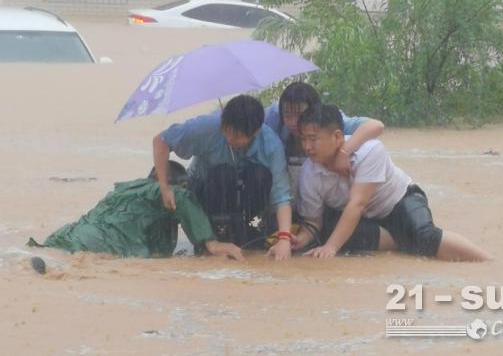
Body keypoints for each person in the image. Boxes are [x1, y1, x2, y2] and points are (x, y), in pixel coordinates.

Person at [293, 104, 492, 261]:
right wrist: (295, 240)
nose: (307, 147)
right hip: (364, 220)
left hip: (399, 201)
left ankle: (487, 261)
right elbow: (313, 221)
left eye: (313, 139)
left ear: (337, 136)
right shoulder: (309, 172)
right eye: (303, 140)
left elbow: (358, 203)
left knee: (425, 237)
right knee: (328, 230)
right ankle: (402, 240)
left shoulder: (369, 150)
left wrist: (331, 248)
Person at [153, 95, 293, 260]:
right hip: (206, 188)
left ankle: (252, 233)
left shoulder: (272, 145)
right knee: (221, 174)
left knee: (260, 176)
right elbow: (161, 141)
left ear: (255, 132)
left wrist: (284, 239)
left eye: (236, 135)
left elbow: (281, 196)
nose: (229, 139)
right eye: (226, 132)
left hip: (248, 199)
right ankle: (210, 239)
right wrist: (164, 187)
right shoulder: (208, 126)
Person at [29, 161, 244, 260]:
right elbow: (182, 197)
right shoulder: (164, 192)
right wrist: (211, 243)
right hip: (98, 247)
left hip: (63, 237)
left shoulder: (130, 190)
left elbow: (158, 249)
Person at [264, 82, 385, 202]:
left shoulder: (328, 119)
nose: (294, 122)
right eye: (287, 116)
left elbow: (376, 126)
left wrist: (344, 152)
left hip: (322, 194)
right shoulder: (273, 116)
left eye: (300, 115)